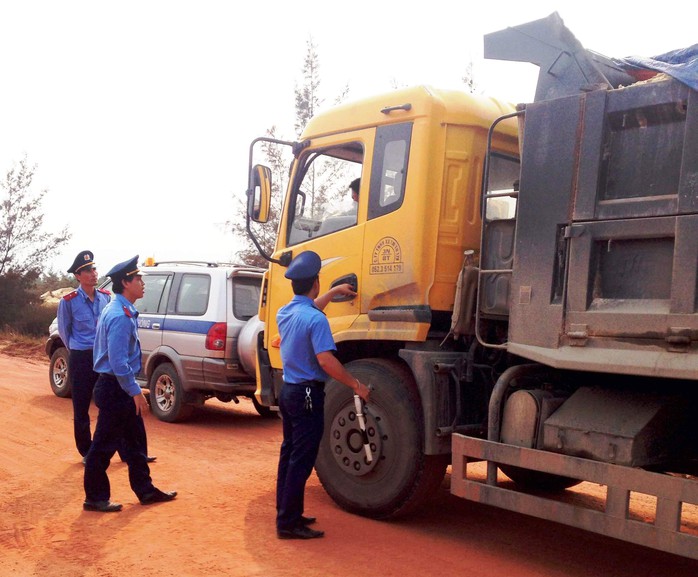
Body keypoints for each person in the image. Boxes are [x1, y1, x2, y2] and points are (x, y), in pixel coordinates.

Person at [275, 251, 370, 539]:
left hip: (289, 390)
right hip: (307, 394)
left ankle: (286, 512)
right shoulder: (316, 320)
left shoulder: (285, 312)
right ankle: (288, 525)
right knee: (301, 459)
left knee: (289, 453)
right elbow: (327, 361)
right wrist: (356, 385)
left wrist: (331, 292)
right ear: (314, 282)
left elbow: (309, 307)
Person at [83, 256, 175, 512]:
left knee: (135, 443)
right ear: (125, 282)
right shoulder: (120, 315)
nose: (142, 283)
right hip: (116, 388)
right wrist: (134, 391)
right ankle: (95, 497)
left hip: (117, 386)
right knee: (103, 445)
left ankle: (146, 490)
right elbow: (118, 361)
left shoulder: (119, 309)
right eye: (138, 279)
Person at [57, 251, 115, 464]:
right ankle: (86, 451)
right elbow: (65, 331)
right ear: (78, 276)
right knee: (81, 407)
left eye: (94, 269)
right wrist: (77, 350)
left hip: (102, 356)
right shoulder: (69, 301)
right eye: (88, 270)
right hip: (81, 357)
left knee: (112, 403)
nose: (93, 273)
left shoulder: (106, 297)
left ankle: (121, 449)